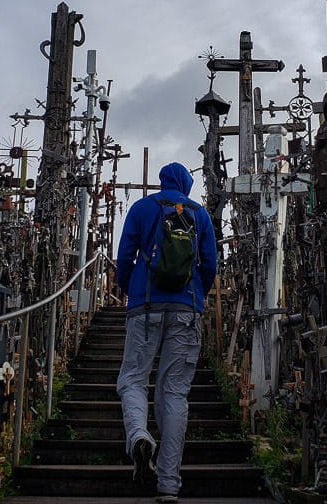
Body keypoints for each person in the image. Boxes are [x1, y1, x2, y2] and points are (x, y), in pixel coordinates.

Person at [116, 162, 218, 503]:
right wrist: (197, 298)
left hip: (145, 306)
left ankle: (139, 436)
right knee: (174, 393)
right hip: (186, 309)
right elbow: (210, 263)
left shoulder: (142, 208)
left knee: (133, 379)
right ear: (186, 184)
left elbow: (125, 255)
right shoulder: (199, 214)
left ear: (161, 181)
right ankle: (169, 485)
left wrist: (130, 288)